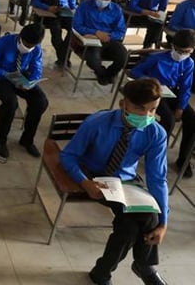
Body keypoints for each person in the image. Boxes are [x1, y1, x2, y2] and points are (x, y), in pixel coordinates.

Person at [60, 78, 169, 285]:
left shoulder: (156, 133)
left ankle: (102, 272)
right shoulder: (97, 122)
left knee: (136, 224)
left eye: (152, 110)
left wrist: (164, 222)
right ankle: (144, 266)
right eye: (139, 108)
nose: (146, 115)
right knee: (146, 220)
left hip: (124, 181)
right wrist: (84, 182)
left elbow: (157, 178)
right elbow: (68, 156)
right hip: (94, 175)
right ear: (123, 104)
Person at [130, 29, 195, 178]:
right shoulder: (157, 57)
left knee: (192, 118)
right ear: (173, 46)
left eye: (186, 51)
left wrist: (181, 107)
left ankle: (183, 159)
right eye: (179, 50)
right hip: (154, 91)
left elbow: (186, 87)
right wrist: (152, 81)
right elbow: (135, 72)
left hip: (172, 92)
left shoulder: (189, 63)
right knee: (168, 119)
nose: (181, 54)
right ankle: (155, 155)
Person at [0, 23, 48, 158]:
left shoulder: (36, 49)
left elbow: (37, 69)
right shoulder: (3, 43)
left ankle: (27, 140)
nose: (28, 48)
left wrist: (30, 83)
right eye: (26, 44)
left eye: (31, 46)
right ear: (20, 37)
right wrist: (6, 75)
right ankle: (0, 139)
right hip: (1, 77)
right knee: (11, 104)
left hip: (21, 78)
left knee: (40, 102)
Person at [72, 0, 128, 85]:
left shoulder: (116, 10)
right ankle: (103, 74)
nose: (103, 1)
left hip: (109, 40)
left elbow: (120, 31)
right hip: (91, 41)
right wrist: (96, 32)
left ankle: (108, 74)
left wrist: (109, 36)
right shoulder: (85, 5)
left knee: (123, 56)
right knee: (93, 60)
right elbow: (76, 25)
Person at [32, 0, 77, 67]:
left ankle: (63, 57)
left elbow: (72, 3)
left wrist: (73, 9)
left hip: (65, 13)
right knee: (56, 31)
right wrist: (47, 7)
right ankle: (64, 58)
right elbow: (35, 1)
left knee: (73, 30)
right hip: (51, 14)